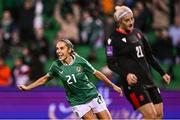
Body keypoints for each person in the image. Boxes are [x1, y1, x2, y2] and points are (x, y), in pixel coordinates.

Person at [18, 38, 122, 119]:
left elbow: (97, 73)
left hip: (92, 95)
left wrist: (113, 86)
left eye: (61, 48)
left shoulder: (80, 61)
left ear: (69, 49)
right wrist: (28, 87)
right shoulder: (56, 65)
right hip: (77, 102)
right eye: (57, 49)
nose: (58, 51)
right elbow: (45, 79)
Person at [105, 6, 171, 119]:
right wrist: (127, 75)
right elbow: (111, 64)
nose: (131, 22)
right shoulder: (112, 40)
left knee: (159, 115)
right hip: (133, 85)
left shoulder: (138, 33)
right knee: (151, 115)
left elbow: (149, 56)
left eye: (132, 18)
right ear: (119, 22)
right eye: (127, 20)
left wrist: (163, 73)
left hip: (148, 79)